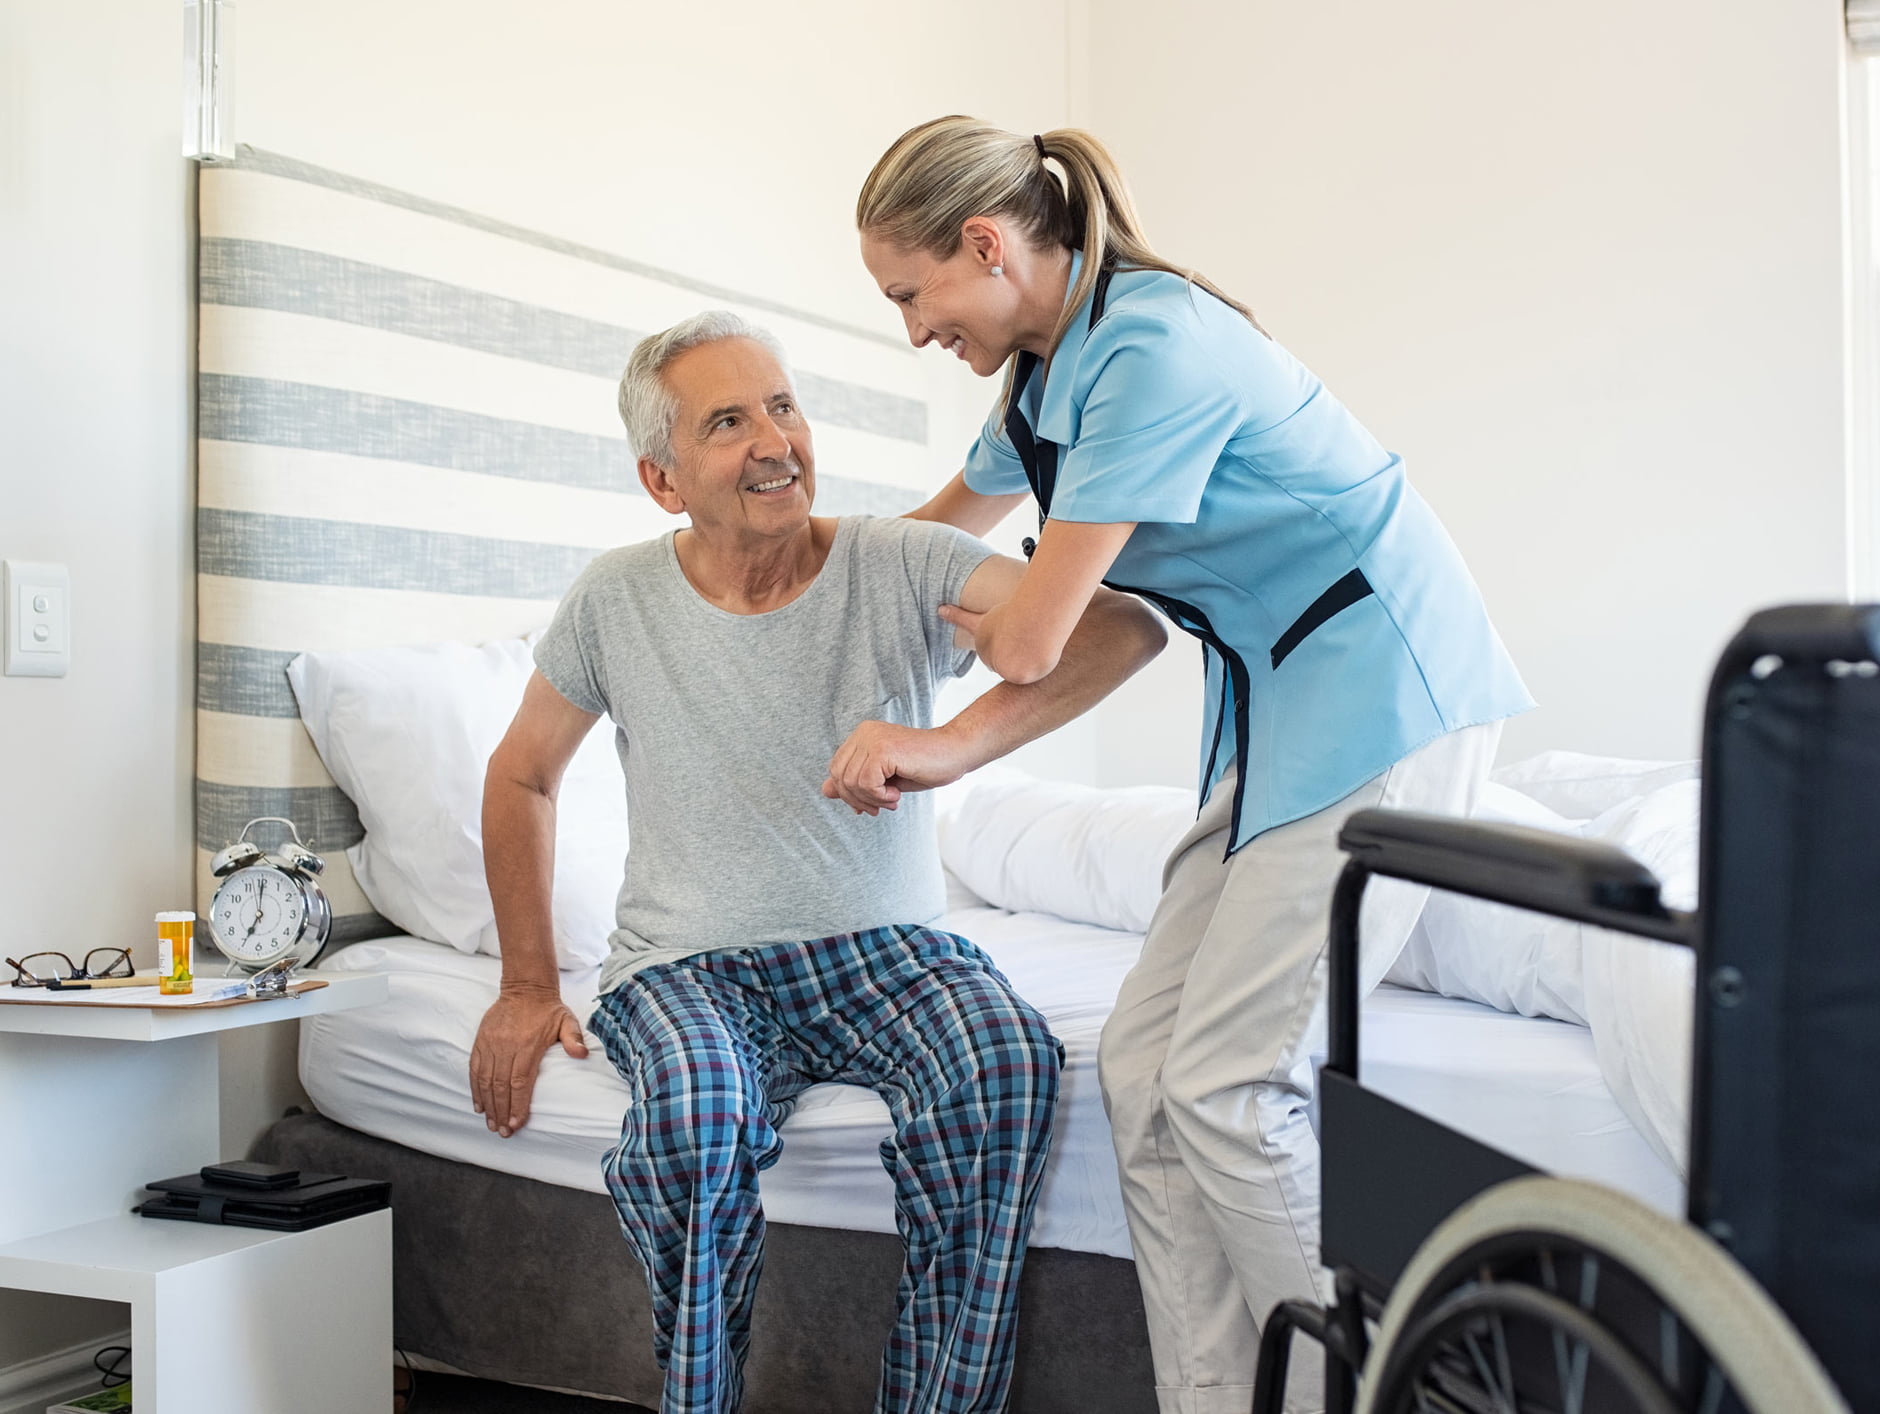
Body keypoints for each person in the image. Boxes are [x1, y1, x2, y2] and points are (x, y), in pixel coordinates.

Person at [856, 118, 1533, 1414]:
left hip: (1389, 692)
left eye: (910, 293)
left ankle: (1401, 1390)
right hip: (1285, 717)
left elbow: (1049, 630)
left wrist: (936, 730)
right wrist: (794, 588)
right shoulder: (1045, 380)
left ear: (986, 245)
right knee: (1139, 1075)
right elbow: (934, 539)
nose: (910, 330)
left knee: (1227, 1081)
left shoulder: (1152, 349)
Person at [467, 309, 1166, 1414]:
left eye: (784, 405)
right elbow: (520, 776)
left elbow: (1120, 631)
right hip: (689, 966)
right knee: (696, 1116)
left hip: (885, 952)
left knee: (1005, 1064)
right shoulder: (614, 598)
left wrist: (946, 745)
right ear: (664, 478)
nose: (776, 441)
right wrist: (523, 985)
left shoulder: (902, 561)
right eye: (730, 421)